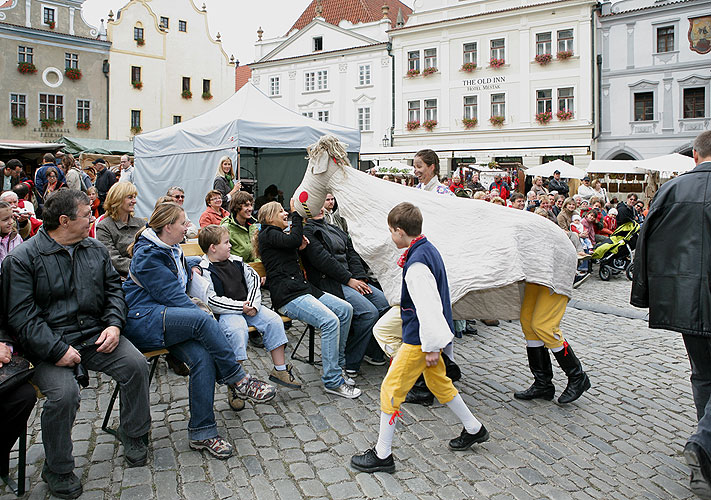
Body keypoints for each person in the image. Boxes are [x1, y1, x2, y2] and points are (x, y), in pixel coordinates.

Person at [1, 189, 151, 499]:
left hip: (94, 335)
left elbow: (114, 291)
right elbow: (22, 318)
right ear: (65, 220)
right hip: (45, 347)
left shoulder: (93, 249)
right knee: (63, 395)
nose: (92, 220)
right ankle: (58, 467)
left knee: (136, 364)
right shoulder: (22, 259)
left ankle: (134, 434)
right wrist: (57, 350)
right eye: (86, 215)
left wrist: (113, 324)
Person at [122, 202, 276, 459]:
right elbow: (174, 298)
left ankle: (202, 432)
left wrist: (193, 261)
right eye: (183, 223)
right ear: (168, 226)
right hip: (145, 321)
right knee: (202, 321)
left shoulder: (168, 247)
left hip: (167, 320)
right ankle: (238, 379)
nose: (188, 227)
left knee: (203, 359)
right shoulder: (149, 256)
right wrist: (204, 315)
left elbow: (179, 260)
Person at [350, 202, 489, 474]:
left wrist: (431, 346)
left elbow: (428, 308)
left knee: (390, 390)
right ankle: (474, 428)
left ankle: (382, 454)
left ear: (401, 232)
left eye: (391, 231)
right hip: (427, 339)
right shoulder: (427, 249)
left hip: (419, 341)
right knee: (440, 384)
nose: (390, 236)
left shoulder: (416, 265)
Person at [631, 131, 711, 498]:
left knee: (703, 376)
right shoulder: (674, 189)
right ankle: (702, 444)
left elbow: (644, 241)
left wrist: (645, 294)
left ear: (695, 155)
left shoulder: (672, 189)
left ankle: (704, 456)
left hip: (683, 299)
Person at [255, 200, 358, 398]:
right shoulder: (267, 233)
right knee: (330, 322)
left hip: (303, 289)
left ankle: (338, 365)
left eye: (286, 211)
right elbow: (291, 240)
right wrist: (296, 214)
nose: (285, 213)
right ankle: (332, 381)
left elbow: (290, 246)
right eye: (281, 212)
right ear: (269, 218)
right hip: (288, 295)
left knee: (345, 310)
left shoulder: (277, 236)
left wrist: (298, 247)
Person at [197, 224, 302, 403]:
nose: (230, 245)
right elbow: (211, 300)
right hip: (228, 312)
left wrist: (252, 304)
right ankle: (235, 383)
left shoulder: (236, 261)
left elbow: (253, 280)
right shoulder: (204, 270)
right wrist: (240, 307)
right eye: (226, 242)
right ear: (213, 248)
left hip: (249, 306)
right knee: (237, 331)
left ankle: (280, 369)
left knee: (273, 320)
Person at [301, 206, 390, 376]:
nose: (319, 208)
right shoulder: (308, 232)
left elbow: (352, 253)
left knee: (385, 305)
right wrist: (349, 280)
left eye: (322, 204)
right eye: (314, 205)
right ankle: (351, 360)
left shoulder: (334, 228)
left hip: (352, 279)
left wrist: (360, 278)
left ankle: (370, 350)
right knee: (368, 313)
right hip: (329, 283)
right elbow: (323, 261)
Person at [95, 183, 143, 277]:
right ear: (117, 199)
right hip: (121, 279)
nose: (134, 201)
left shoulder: (141, 224)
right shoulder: (104, 227)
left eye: (134, 197)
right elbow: (113, 259)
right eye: (130, 197)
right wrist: (143, 266)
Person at [221, 191, 259, 263]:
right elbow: (222, 256)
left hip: (254, 268)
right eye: (246, 205)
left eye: (251, 205)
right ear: (236, 207)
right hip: (235, 268)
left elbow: (257, 252)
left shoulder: (253, 226)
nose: (250, 208)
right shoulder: (226, 228)